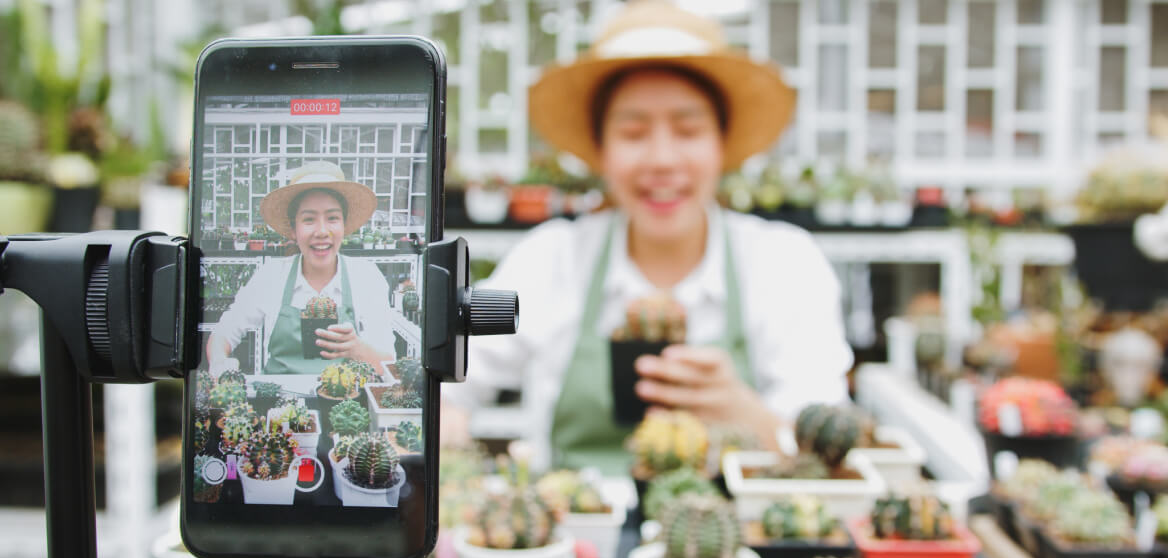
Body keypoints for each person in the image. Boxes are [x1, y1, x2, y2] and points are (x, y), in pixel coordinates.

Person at [442, 1, 854, 474]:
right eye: (634, 131)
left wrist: (750, 417)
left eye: (688, 129)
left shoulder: (784, 264)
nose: (662, 158)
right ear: (601, 148)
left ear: (723, 142)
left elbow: (829, 446)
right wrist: (444, 419)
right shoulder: (551, 259)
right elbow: (446, 387)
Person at [206, 162, 398, 376]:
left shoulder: (365, 277)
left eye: (332, 218)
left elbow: (388, 363)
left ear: (344, 225)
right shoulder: (271, 276)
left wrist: (356, 348)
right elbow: (225, 331)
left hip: (346, 404)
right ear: (293, 229)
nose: (322, 231)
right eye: (309, 219)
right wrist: (219, 361)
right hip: (278, 404)